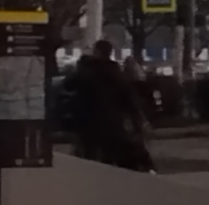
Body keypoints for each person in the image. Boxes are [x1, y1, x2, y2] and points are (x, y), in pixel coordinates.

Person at [65, 39, 154, 171]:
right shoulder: (116, 72)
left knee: (88, 156)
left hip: (88, 121)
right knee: (109, 156)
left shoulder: (87, 70)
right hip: (112, 122)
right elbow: (129, 99)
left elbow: (68, 85)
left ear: (96, 51)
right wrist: (138, 121)